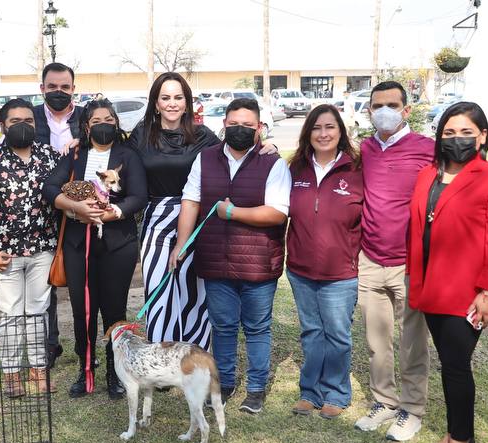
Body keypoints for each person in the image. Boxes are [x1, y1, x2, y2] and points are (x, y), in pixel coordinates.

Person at [128, 72, 277, 349]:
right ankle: (162, 352)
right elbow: (118, 160)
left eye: (178, 97)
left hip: (197, 218)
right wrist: (80, 142)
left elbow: (235, 151)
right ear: (156, 102)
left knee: (193, 289)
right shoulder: (141, 134)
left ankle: (195, 353)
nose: (172, 103)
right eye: (165, 98)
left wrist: (266, 144)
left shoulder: (202, 136)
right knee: (159, 284)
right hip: (157, 218)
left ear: (186, 102)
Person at [405, 101, 488, 443]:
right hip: (431, 286)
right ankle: (454, 432)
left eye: (466, 132)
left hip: (468, 293)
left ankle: (462, 441)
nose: (457, 139)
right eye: (449, 133)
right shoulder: (427, 175)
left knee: (455, 365)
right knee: (448, 364)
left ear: (483, 136)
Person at [171, 97, 292, 415]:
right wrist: (181, 244)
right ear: (223, 125)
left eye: (248, 125)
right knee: (222, 326)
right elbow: (191, 201)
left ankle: (255, 389)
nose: (240, 129)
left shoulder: (273, 163)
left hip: (258, 261)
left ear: (259, 129)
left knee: (256, 327)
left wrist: (232, 212)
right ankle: (224, 384)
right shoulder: (205, 158)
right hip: (215, 258)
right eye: (234, 124)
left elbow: (278, 213)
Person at [44, 98, 148, 399]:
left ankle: (117, 373)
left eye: (109, 119)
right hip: (78, 245)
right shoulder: (75, 155)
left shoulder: (129, 155)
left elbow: (139, 196)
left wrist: (107, 213)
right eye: (97, 120)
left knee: (114, 311)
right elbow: (50, 188)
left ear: (116, 123)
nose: (104, 124)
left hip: (118, 245)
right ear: (86, 126)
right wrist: (75, 206)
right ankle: (84, 369)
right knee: (82, 312)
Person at [353, 80, 435, 443]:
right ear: (369, 111)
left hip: (409, 262)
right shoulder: (365, 149)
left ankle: (412, 409)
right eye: (377, 105)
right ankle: (384, 401)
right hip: (370, 259)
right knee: (376, 340)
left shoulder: (426, 149)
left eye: (392, 104)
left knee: (413, 341)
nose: (384, 110)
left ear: (406, 110)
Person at [0, 98, 61, 397]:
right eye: (15, 122)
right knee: (10, 313)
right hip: (3, 253)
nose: (22, 126)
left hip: (42, 249)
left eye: (28, 121)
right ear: (2, 126)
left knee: (37, 311)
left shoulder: (51, 158)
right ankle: (11, 374)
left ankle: (37, 370)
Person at [285, 104, 366, 419]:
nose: (323, 133)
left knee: (337, 334)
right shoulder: (295, 169)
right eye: (317, 127)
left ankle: (336, 393)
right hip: (301, 269)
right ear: (308, 133)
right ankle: (310, 392)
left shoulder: (357, 169)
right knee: (311, 332)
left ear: (340, 132)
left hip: (340, 273)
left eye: (330, 127)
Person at [33, 62, 81, 367]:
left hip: (79, 210)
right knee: (45, 281)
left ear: (73, 89)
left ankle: (84, 346)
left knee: (79, 278)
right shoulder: (29, 116)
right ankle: (50, 346)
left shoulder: (87, 118)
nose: (59, 92)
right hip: (38, 210)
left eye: (65, 87)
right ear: (42, 89)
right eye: (52, 87)